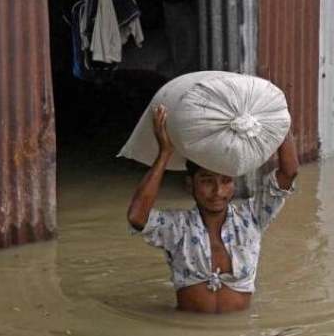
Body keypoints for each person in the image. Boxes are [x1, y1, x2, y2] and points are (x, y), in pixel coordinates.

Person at [127, 104, 299, 314]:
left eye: (226, 181)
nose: (218, 191)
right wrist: (164, 153)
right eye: (207, 181)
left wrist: (279, 118)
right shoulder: (178, 227)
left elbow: (288, 174)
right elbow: (137, 217)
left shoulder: (252, 218)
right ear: (190, 184)